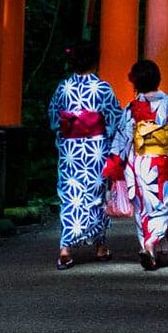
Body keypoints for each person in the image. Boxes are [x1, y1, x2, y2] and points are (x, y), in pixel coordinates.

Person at [104, 59, 168, 271]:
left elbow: (123, 139)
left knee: (141, 208)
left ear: (135, 83)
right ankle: (152, 242)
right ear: (158, 79)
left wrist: (115, 165)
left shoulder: (132, 108)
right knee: (161, 206)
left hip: (137, 163)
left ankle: (150, 251)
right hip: (161, 163)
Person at [47, 41, 122, 270]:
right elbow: (115, 118)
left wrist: (67, 131)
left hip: (70, 149)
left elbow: (53, 117)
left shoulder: (63, 87)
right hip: (96, 148)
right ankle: (99, 246)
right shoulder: (102, 88)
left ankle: (65, 249)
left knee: (70, 195)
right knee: (96, 195)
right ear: (95, 61)